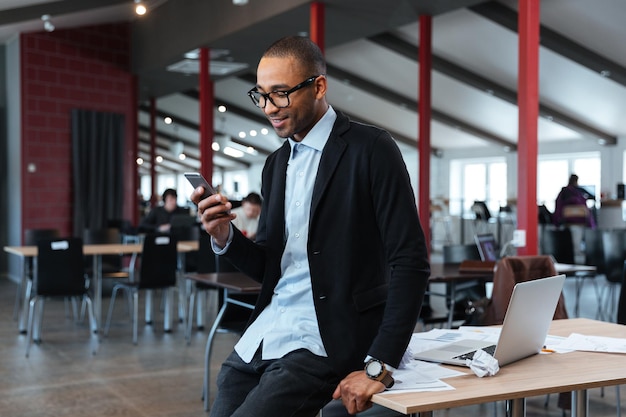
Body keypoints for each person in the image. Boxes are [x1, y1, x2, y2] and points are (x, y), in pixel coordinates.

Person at [191, 36, 429, 417]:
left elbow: (410, 262)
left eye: (281, 94)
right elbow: (270, 266)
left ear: (319, 86)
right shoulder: (275, 166)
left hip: (327, 341)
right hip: (266, 333)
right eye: (262, 95)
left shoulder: (371, 149)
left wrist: (379, 365)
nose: (269, 108)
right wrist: (224, 236)